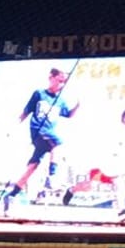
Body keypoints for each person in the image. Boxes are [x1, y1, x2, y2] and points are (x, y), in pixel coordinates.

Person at [5, 67, 80, 210]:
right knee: (58, 144)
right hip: (39, 131)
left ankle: (12, 195)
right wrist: (13, 126)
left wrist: (78, 106)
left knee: (32, 167)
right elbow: (26, 112)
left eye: (64, 82)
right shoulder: (39, 94)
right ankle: (51, 177)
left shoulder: (60, 101)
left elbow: (69, 115)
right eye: (59, 81)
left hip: (48, 135)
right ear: (51, 78)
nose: (62, 84)